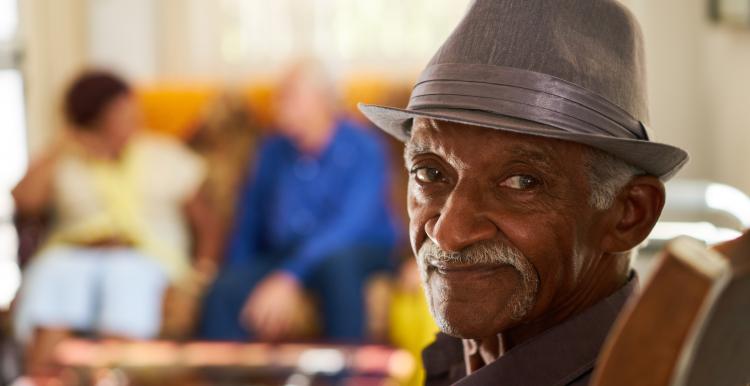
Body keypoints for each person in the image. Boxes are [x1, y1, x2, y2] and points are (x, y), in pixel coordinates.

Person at [357, 0, 689, 384]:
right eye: (430, 172)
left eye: (522, 182)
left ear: (629, 214)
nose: (448, 233)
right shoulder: (468, 353)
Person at [11, 70, 220, 375]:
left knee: (124, 279)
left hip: (143, 257)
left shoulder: (161, 154)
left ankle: (111, 377)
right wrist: (64, 143)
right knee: (55, 275)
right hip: (74, 256)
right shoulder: (67, 160)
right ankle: (43, 378)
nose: (134, 117)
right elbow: (24, 201)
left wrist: (201, 274)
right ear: (95, 118)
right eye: (121, 112)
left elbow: (208, 222)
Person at [200, 61, 400, 342]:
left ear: (324, 101)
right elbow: (250, 219)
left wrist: (289, 276)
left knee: (337, 265)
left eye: (289, 96)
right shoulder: (272, 150)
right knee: (224, 290)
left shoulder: (364, 147)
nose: (277, 105)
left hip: (358, 249)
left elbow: (349, 225)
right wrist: (240, 271)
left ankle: (343, 375)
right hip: (287, 251)